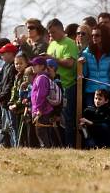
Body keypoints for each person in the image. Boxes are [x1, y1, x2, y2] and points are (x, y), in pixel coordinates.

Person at [45, 18, 79, 147]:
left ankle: (69, 146)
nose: (51, 35)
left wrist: (52, 58)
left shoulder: (69, 43)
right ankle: (58, 146)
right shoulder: (52, 44)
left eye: (53, 32)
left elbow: (70, 63)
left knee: (67, 119)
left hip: (67, 86)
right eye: (50, 33)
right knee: (54, 119)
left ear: (61, 29)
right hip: (53, 87)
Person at [80, 27, 110, 109]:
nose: (94, 37)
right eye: (92, 35)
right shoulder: (86, 53)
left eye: (97, 35)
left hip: (106, 91)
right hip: (90, 91)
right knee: (90, 116)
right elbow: (84, 74)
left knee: (104, 118)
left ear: (104, 36)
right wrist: (81, 64)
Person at [30, 56, 60, 147]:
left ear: (42, 66)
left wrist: (39, 109)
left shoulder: (42, 78)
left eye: (35, 65)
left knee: (41, 131)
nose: (32, 67)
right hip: (40, 110)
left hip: (42, 110)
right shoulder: (38, 77)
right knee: (40, 131)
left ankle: (46, 149)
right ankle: (46, 148)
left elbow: (41, 95)